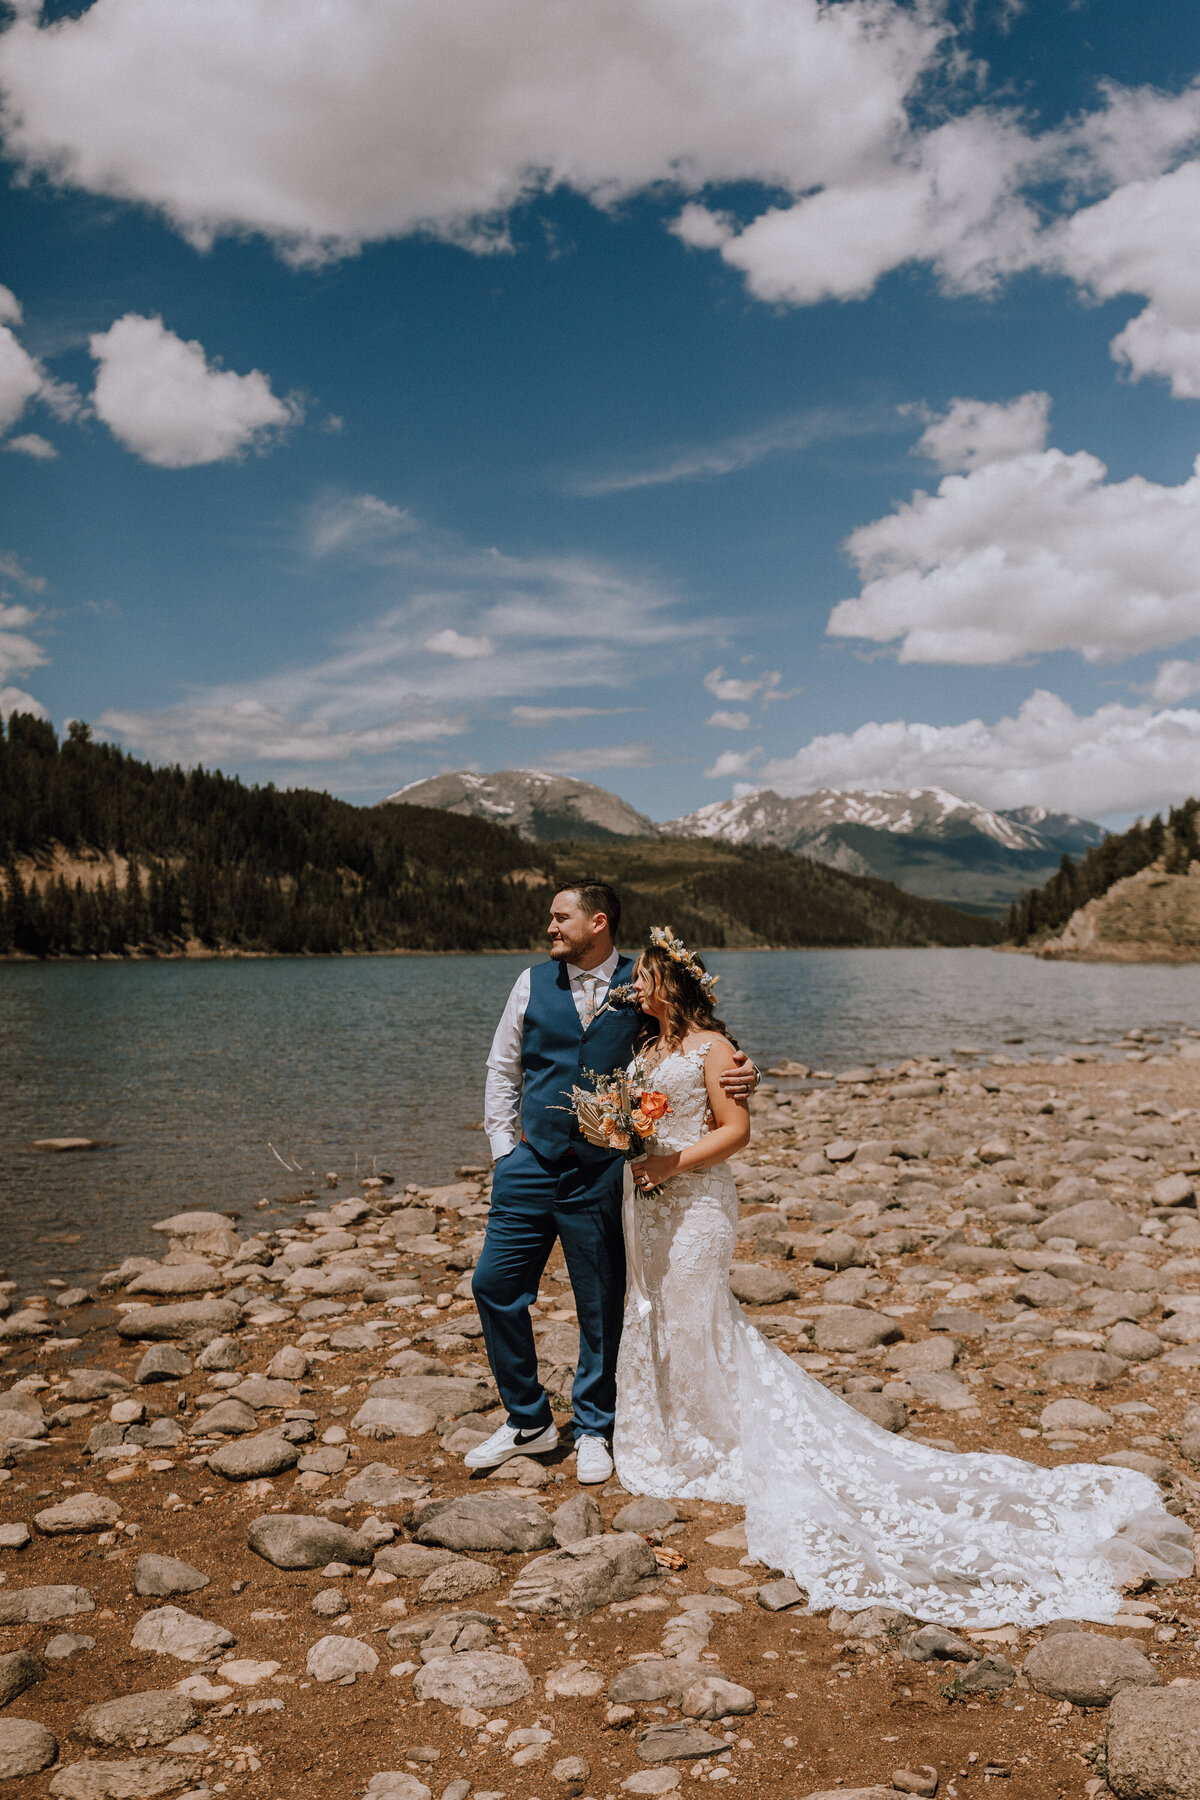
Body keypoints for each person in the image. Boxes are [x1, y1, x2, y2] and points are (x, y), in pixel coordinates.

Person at [613, 927, 1194, 1627]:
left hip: (696, 1197)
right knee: (657, 1310)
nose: (633, 987)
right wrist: (626, 1139)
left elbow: (737, 1129)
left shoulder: (713, 1049)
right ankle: (676, 1424)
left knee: (699, 1310)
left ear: (670, 983)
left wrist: (673, 1162)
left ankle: (717, 1434)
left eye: (643, 977)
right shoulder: (644, 1050)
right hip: (646, 1201)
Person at [468, 882, 759, 1484]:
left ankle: (595, 1426)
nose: (550, 927)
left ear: (597, 923)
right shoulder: (528, 983)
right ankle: (528, 1420)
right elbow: (503, 1067)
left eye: (560, 917)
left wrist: (747, 1069)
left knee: (600, 1305)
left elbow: (693, 1038)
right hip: (528, 1164)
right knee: (494, 1285)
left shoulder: (644, 984)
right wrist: (504, 1152)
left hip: (603, 1173)